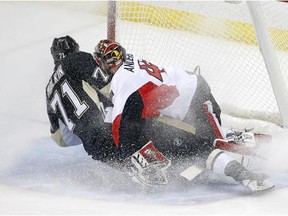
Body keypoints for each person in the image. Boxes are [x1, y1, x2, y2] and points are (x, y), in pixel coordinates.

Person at [93, 39, 275, 191]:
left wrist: (127, 156)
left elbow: (120, 126)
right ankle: (256, 146)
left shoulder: (123, 81)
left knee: (213, 141)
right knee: (206, 144)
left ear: (102, 63)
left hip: (195, 94)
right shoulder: (132, 62)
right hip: (188, 94)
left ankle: (260, 162)